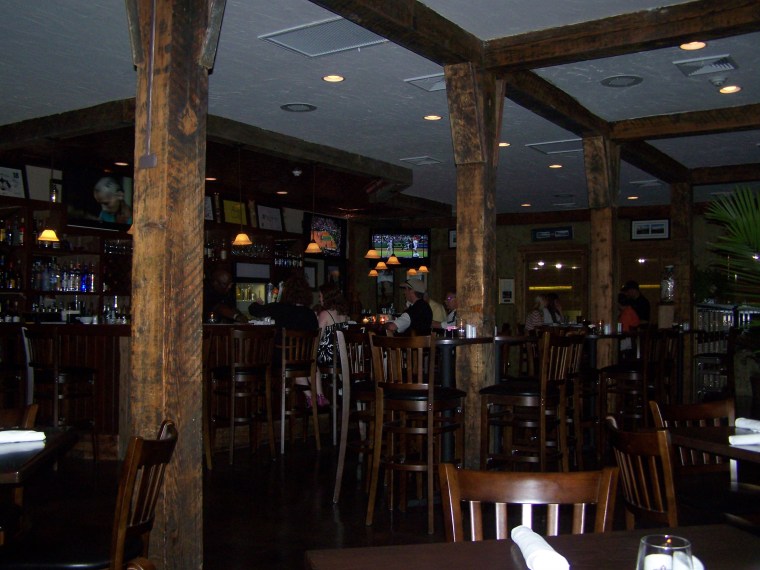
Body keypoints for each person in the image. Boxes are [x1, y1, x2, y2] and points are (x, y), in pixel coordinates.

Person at [248, 273, 324, 408]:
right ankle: (318, 396)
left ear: (286, 292)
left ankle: (309, 397)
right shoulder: (310, 314)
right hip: (306, 359)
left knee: (290, 361)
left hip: (282, 359)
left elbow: (254, 310)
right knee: (303, 364)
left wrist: (257, 303)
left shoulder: (279, 308)